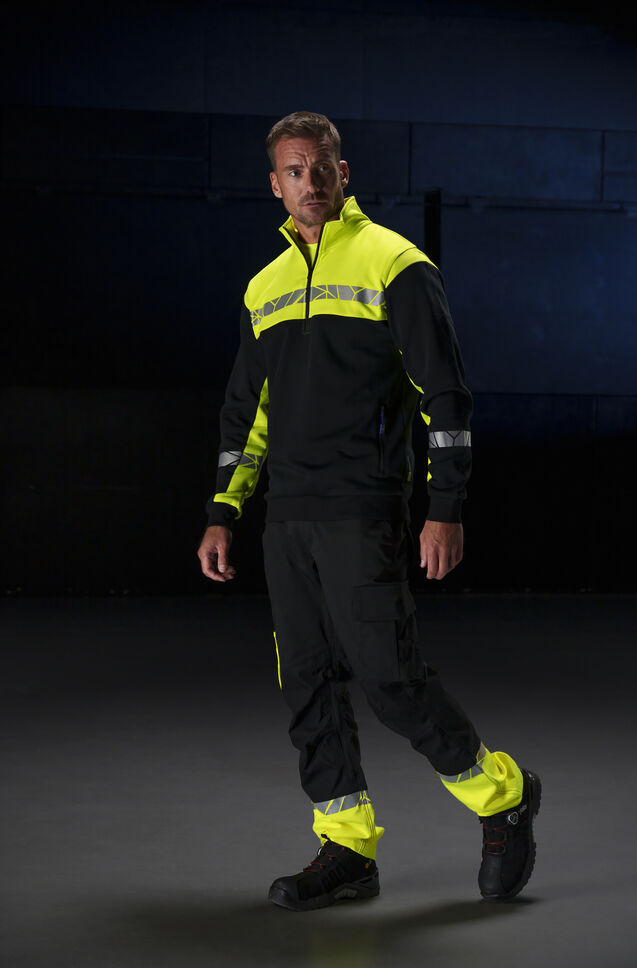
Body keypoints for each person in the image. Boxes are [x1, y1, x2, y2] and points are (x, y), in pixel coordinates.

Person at [197, 111, 540, 911]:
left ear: (342, 173)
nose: (308, 182)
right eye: (293, 171)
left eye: (320, 167)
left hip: (363, 508)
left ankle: (502, 795)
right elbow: (247, 415)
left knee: (388, 678)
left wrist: (445, 505)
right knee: (306, 684)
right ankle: (346, 848)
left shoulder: (395, 262)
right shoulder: (262, 288)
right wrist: (222, 510)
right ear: (274, 184)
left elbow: (443, 394)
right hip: (288, 516)